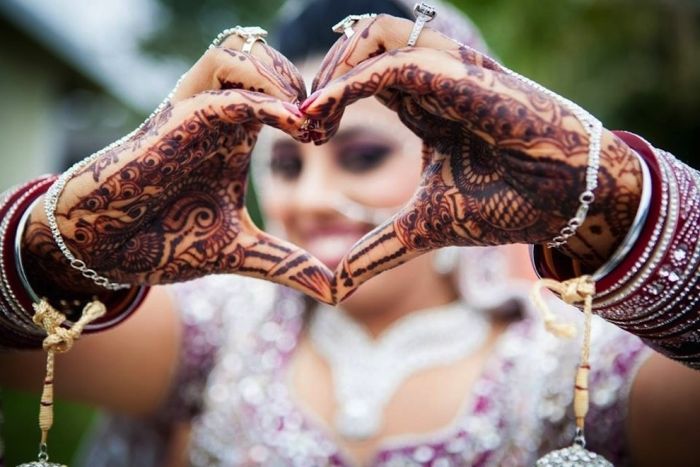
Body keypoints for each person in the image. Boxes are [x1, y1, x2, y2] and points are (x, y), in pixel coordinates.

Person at [0, 0, 699, 466]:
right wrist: (55, 246)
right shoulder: (218, 332)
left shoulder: (562, 360)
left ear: (466, 161)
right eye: (283, 162)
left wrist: (623, 197)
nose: (312, 198)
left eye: (362, 155)